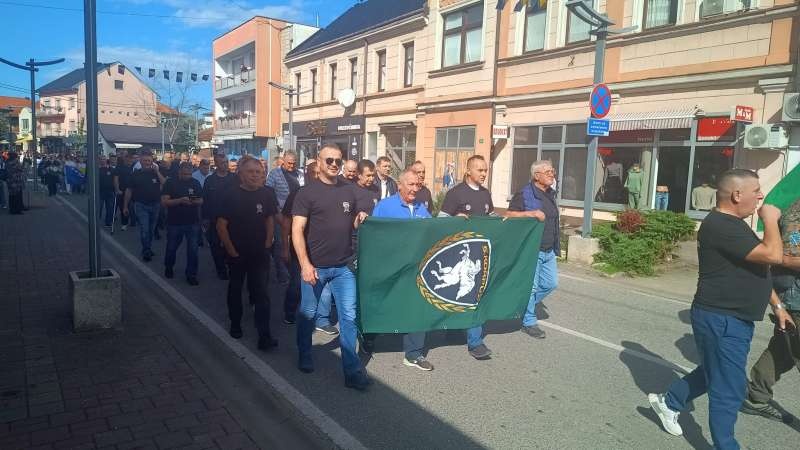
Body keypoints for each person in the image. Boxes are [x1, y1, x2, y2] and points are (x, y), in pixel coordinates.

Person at [648, 169, 784, 449]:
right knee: (729, 388)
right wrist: (770, 219)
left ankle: (670, 401)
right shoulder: (721, 225)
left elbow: (757, 267)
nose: (761, 196)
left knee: (716, 371)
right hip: (723, 317)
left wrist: (777, 304)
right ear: (737, 195)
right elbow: (773, 255)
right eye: (756, 190)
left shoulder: (734, 223)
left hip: (730, 317)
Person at [292, 144, 370, 390]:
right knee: (308, 313)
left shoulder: (349, 191)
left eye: (338, 160)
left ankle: (352, 371)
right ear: (319, 161)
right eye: (329, 160)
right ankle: (305, 352)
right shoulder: (306, 193)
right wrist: (305, 264)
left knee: (348, 317)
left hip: (343, 267)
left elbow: (351, 226)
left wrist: (359, 221)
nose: (334, 164)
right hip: (315, 268)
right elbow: (297, 230)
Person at [740, 198, 800, 422]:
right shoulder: (797, 217)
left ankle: (756, 394)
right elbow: (788, 257)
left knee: (783, 350)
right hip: (795, 297)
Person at [371, 169, 433, 371]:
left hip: (415, 270)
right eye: (411, 185)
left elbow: (434, 230)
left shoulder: (422, 208)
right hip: (390, 269)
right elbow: (373, 236)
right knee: (381, 305)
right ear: (400, 185)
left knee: (417, 308)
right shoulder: (384, 207)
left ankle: (413, 354)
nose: (415, 189)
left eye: (418, 185)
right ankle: (368, 337)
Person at [216, 156, 279, 351]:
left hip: (260, 253)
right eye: (250, 172)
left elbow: (270, 218)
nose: (255, 175)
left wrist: (269, 242)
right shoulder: (229, 194)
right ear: (241, 174)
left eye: (258, 172)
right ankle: (235, 323)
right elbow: (221, 225)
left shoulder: (267, 193)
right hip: (236, 253)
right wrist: (231, 250)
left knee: (261, 293)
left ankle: (264, 335)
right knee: (235, 289)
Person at [437, 154, 495, 360]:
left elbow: (491, 218)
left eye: (485, 170)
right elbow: (440, 221)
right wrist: (455, 219)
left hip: (479, 256)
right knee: (459, 293)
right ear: (469, 171)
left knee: (475, 295)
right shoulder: (456, 193)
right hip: (459, 253)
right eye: (480, 170)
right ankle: (453, 328)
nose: (483, 174)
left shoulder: (486, 194)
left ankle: (475, 342)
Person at [505, 161, 554, 339]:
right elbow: (509, 215)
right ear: (536, 176)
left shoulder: (550, 193)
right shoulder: (524, 193)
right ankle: (529, 321)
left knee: (550, 284)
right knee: (532, 288)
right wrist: (531, 213)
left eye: (552, 171)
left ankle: (521, 304)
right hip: (532, 249)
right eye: (547, 171)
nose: (552, 174)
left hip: (549, 249)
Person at [162, 162, 204, 285]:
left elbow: (201, 200)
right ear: (179, 172)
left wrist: (194, 201)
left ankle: (191, 274)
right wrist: (180, 200)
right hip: (174, 222)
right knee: (171, 248)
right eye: (185, 174)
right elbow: (165, 202)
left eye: (190, 174)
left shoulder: (195, 183)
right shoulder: (170, 183)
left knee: (193, 250)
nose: (188, 176)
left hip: (192, 222)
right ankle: (169, 266)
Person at [123, 151, 165, 261]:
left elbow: (164, 184)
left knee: (151, 230)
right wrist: (125, 206)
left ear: (152, 162)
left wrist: (157, 172)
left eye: (149, 161)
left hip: (155, 205)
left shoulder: (156, 172)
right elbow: (129, 190)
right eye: (145, 160)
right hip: (141, 205)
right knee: (144, 229)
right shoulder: (135, 174)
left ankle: (148, 247)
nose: (147, 163)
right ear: (140, 162)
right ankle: (146, 250)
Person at [202, 154, 239, 280]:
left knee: (231, 243)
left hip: (233, 219)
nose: (225, 164)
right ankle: (220, 269)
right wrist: (205, 218)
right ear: (216, 164)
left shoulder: (235, 178)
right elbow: (205, 201)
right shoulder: (210, 180)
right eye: (222, 162)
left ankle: (230, 264)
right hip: (214, 219)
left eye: (226, 162)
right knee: (215, 245)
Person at [114, 152, 135, 230]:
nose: (129, 160)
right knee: (123, 207)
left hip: (133, 191)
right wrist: (117, 189)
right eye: (128, 158)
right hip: (122, 190)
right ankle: (124, 223)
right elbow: (116, 179)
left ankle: (133, 221)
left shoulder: (134, 167)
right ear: (125, 159)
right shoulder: (119, 167)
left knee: (132, 207)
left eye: (131, 158)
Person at [98, 156, 116, 229]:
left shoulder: (111, 169)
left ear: (106, 160)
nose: (103, 161)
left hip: (110, 191)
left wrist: (116, 189)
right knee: (98, 208)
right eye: (101, 159)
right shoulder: (97, 169)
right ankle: (96, 221)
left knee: (110, 208)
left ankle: (108, 222)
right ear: (99, 161)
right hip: (100, 192)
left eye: (104, 159)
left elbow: (115, 180)